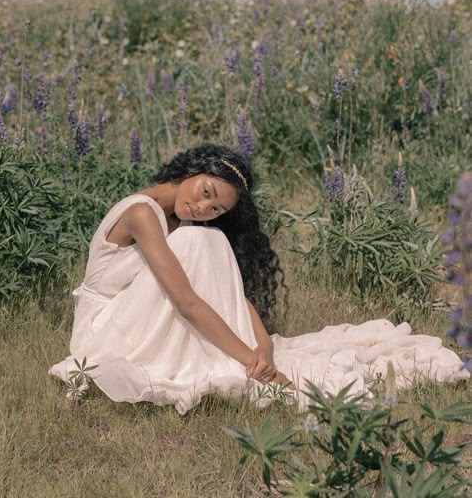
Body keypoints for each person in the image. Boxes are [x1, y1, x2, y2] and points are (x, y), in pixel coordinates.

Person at [49, 144, 468, 413]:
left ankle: (230, 354)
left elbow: (218, 290)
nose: (202, 206)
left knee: (206, 241)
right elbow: (186, 301)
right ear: (193, 169)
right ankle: (224, 359)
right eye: (207, 192)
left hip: (135, 316)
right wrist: (250, 361)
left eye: (217, 209)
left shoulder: (182, 219)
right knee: (202, 242)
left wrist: (263, 343)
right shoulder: (142, 212)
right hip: (102, 334)